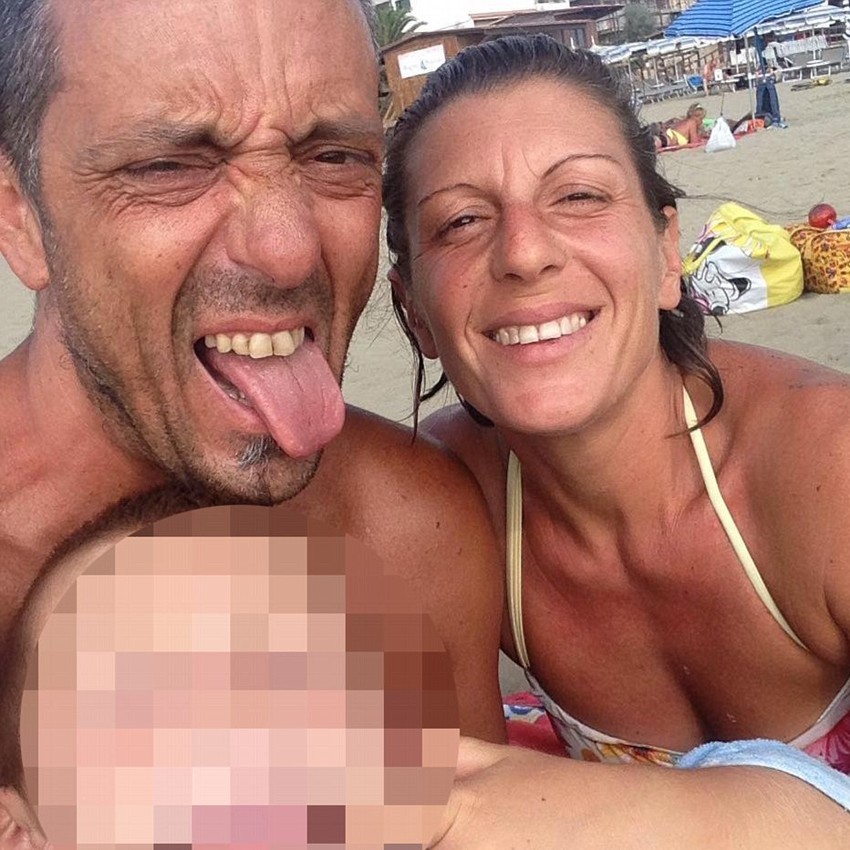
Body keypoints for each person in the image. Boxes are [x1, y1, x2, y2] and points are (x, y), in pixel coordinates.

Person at [0, 0, 505, 781]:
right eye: (168, 167)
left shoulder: (408, 533)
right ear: (19, 216)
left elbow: (477, 818)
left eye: (334, 156)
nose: (288, 249)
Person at [385, 33, 850, 842]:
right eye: (460, 221)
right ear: (415, 311)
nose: (525, 253)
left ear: (667, 252)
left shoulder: (825, 465)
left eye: (578, 196)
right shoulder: (444, 510)